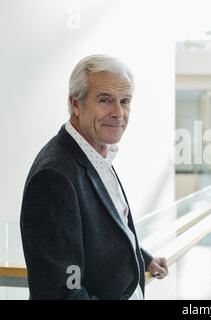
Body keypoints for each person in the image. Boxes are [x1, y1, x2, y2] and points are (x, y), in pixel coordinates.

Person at [20, 54, 168, 300]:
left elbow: (97, 231)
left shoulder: (96, 154)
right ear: (76, 104)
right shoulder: (54, 176)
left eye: (125, 101)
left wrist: (141, 258)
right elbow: (60, 292)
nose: (118, 113)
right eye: (105, 100)